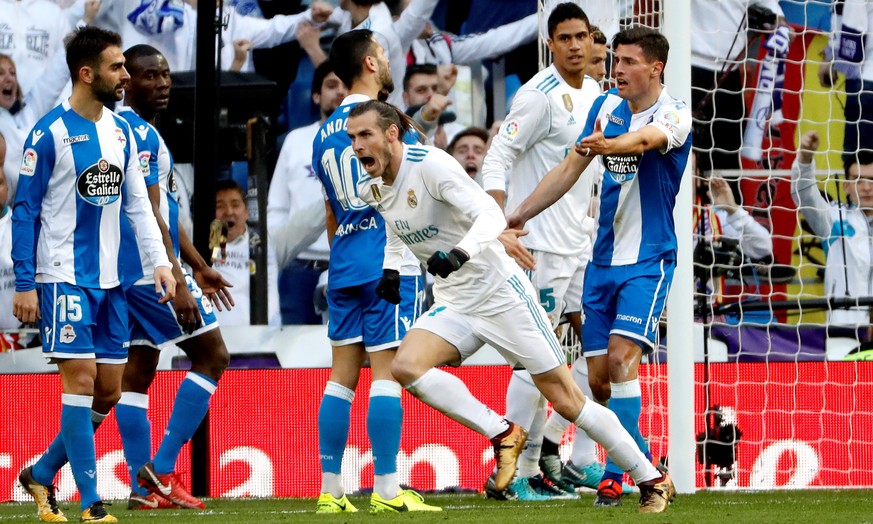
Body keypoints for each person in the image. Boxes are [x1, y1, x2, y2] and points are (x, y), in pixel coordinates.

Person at [348, 99, 675, 514]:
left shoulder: (430, 165)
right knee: (406, 366)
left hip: (502, 293)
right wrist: (391, 269)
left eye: (365, 136)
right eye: (352, 138)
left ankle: (652, 477)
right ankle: (503, 432)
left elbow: (488, 213)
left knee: (568, 401)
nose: (357, 147)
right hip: (456, 300)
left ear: (391, 134)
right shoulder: (371, 184)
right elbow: (398, 224)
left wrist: (461, 253)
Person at [506, 27, 692, 508]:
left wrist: (607, 147)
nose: (617, 70)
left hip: (647, 261)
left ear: (655, 68)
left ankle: (619, 475)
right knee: (599, 381)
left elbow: (646, 140)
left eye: (629, 62)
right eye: (615, 61)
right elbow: (571, 167)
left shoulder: (675, 115)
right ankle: (644, 464)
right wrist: (520, 213)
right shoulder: (605, 107)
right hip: (601, 260)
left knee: (620, 361)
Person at [13, 26, 176, 523]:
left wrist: (161, 264)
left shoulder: (123, 132)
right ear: (87, 74)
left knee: (108, 391)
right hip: (63, 275)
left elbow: (138, 208)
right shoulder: (49, 133)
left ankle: (40, 474)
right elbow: (24, 210)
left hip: (113, 282)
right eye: (116, 67)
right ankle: (91, 504)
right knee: (81, 382)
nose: (126, 76)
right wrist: (24, 282)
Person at [480, 2, 604, 500]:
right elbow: (498, 155)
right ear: (550, 43)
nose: (575, 45)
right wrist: (498, 222)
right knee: (537, 357)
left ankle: (559, 453)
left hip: (580, 243)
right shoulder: (539, 95)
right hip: (542, 247)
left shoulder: (595, 92)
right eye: (565, 37)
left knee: (598, 347)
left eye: (582, 37)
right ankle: (518, 472)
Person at [310, 29, 436, 514]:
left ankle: (330, 490)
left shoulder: (324, 131)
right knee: (386, 374)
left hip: (342, 261)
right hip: (387, 258)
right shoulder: (385, 122)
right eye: (383, 55)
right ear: (369, 63)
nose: (388, 61)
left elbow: (328, 212)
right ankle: (386, 488)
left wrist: (343, 254)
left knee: (340, 379)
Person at [115, 44, 233, 511]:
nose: (162, 83)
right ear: (127, 82)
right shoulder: (136, 133)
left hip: (140, 268)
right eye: (149, 75)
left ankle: (145, 491)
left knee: (139, 374)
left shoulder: (137, 132)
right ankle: (161, 470)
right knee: (213, 355)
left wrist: (199, 263)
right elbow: (148, 213)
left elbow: (166, 210)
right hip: (151, 271)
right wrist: (180, 280)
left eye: (165, 75)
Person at [268, 61, 347, 325]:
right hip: (299, 269)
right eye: (331, 85)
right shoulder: (295, 140)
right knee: (293, 357)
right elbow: (277, 206)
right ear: (316, 95)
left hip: (348, 266)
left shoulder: (365, 143)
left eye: (346, 86)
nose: (340, 92)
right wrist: (277, 258)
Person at [690, 0, 786, 172]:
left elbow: (770, 5)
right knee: (678, 158)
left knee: (725, 163)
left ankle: (725, 198)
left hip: (729, 73)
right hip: (685, 67)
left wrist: (782, 28)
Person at [791, 130, 873, 328]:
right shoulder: (834, 217)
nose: (866, 187)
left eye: (872, 180)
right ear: (846, 186)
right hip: (844, 330)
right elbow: (805, 196)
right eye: (858, 180)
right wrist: (804, 158)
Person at [212, 180, 280, 326]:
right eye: (220, 206)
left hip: (254, 336)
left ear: (247, 211)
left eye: (235, 205)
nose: (229, 212)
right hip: (211, 337)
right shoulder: (199, 242)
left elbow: (270, 297)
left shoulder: (263, 243)